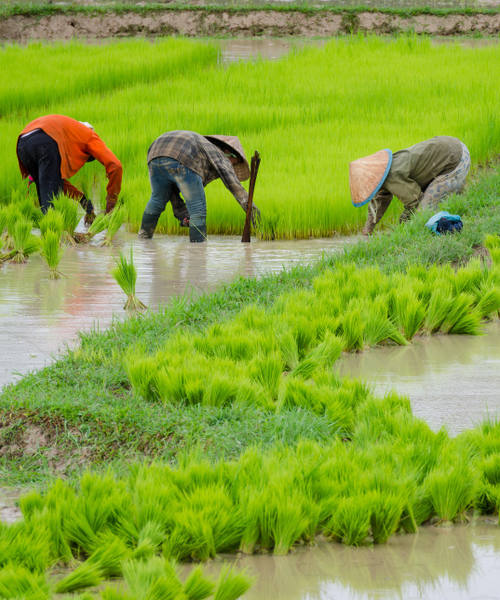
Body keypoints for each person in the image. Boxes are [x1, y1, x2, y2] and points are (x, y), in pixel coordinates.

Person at [138, 130, 259, 242]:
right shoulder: (221, 155)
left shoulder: (204, 147)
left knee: (157, 200)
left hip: (155, 154)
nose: (232, 166)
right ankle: (198, 250)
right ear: (229, 153)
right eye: (235, 163)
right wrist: (256, 216)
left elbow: (172, 193)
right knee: (198, 210)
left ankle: (143, 239)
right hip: (183, 156)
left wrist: (183, 215)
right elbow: (236, 188)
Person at [348, 136, 470, 235]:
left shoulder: (392, 175)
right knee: (430, 209)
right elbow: (380, 201)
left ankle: (443, 235)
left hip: (455, 160)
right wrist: (367, 230)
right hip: (455, 147)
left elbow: (415, 200)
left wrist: (401, 227)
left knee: (422, 213)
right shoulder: (384, 172)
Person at [17, 114, 122, 224]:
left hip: (23, 144)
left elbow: (56, 181)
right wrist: (111, 201)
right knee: (51, 201)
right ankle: (57, 235)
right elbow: (116, 166)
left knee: (45, 195)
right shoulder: (89, 135)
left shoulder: (65, 132)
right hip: (45, 141)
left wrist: (82, 200)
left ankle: (49, 233)